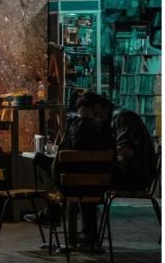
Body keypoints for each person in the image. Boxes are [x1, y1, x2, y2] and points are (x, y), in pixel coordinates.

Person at [32, 92, 114, 247]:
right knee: (82, 179)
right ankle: (88, 238)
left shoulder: (76, 126)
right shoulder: (106, 129)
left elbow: (65, 158)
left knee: (44, 161)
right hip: (99, 184)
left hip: (72, 186)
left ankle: (53, 211)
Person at [87, 92, 156, 191]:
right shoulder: (115, 116)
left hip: (136, 176)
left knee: (87, 174)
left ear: (96, 107)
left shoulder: (121, 117)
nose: (89, 120)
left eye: (87, 115)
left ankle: (84, 205)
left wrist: (97, 154)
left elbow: (126, 151)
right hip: (137, 172)